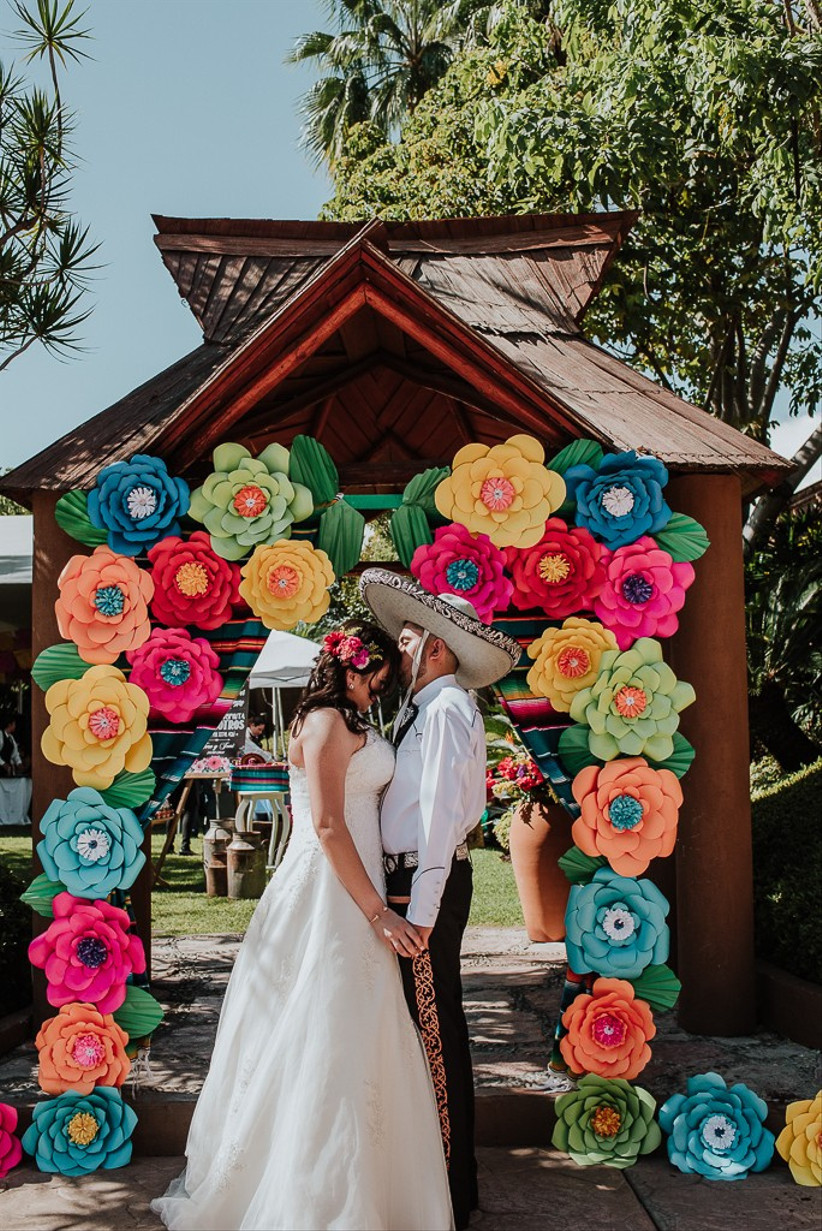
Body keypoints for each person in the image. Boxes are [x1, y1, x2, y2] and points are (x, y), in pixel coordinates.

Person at [152, 619, 453, 1231]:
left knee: (360, 1027)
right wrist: (377, 910)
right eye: (377, 681)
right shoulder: (322, 722)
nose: (379, 691)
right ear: (354, 666)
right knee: (323, 1024)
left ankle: (372, 1190)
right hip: (329, 892)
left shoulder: (355, 721)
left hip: (357, 880)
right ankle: (310, 1199)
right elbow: (326, 826)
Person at [360, 570, 521, 1231]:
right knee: (419, 1030)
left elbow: (442, 816)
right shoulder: (425, 707)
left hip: (423, 887)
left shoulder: (450, 709)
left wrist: (420, 914)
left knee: (434, 1032)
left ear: (434, 646)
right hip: (403, 881)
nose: (395, 653)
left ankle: (453, 1186)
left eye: (404, 642)